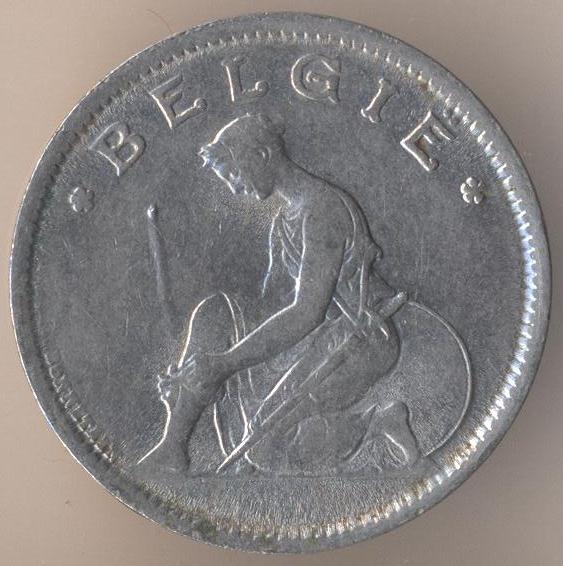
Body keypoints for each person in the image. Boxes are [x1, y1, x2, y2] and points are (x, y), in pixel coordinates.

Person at [147, 113, 420, 474]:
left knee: (263, 446)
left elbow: (307, 312)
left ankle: (378, 422)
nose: (234, 188)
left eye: (233, 173)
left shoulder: (322, 211)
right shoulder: (284, 221)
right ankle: (173, 445)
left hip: (359, 336)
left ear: (262, 155)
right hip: (312, 337)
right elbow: (272, 305)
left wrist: (225, 362)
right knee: (216, 313)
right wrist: (191, 374)